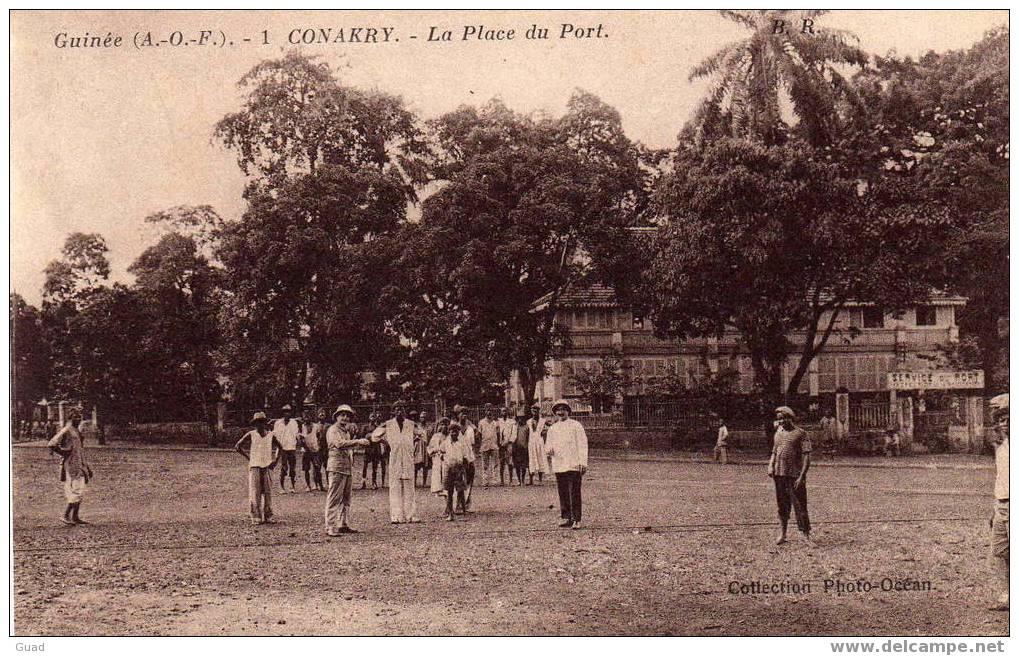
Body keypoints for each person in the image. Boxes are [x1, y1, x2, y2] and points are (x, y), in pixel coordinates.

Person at [767, 406, 812, 545]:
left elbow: (807, 456)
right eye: (779, 419)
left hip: (794, 475)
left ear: (790, 418)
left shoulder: (801, 433)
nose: (781, 421)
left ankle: (805, 535)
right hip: (779, 474)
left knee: (800, 505)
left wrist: (802, 476)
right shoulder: (778, 433)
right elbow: (775, 451)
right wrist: (770, 465)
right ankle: (783, 534)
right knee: (782, 505)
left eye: (784, 418)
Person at [324, 405, 371, 536]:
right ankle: (330, 526)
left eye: (347, 416)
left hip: (347, 467)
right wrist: (358, 441)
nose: (345, 418)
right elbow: (339, 444)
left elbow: (349, 448)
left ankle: (343, 524)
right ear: (336, 416)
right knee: (334, 497)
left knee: (346, 498)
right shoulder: (333, 430)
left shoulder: (346, 432)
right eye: (342, 415)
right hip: (336, 467)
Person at [372, 401, 421, 524]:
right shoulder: (388, 424)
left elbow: (422, 434)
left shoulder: (410, 424)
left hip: (408, 458)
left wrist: (414, 440)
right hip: (395, 457)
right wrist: (386, 442)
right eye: (397, 409)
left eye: (402, 409)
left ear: (405, 411)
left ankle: (411, 515)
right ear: (393, 411)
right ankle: (396, 516)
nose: (399, 411)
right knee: (395, 486)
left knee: (410, 486)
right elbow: (374, 436)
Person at [545, 400, 589, 530]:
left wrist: (583, 462)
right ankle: (567, 517)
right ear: (555, 413)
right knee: (563, 492)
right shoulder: (553, 428)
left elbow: (582, 444)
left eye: (563, 409)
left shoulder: (576, 425)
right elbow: (548, 445)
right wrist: (549, 449)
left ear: (568, 411)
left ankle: (577, 519)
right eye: (558, 410)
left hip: (573, 464)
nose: (561, 412)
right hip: (559, 464)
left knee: (574, 492)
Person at [234, 411, 282, 525]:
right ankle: (256, 516)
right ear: (254, 424)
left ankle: (268, 516)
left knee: (268, 492)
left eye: (262, 422)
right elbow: (238, 446)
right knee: (255, 492)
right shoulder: (251, 434)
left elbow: (280, 447)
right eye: (257, 423)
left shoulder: (271, 435)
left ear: (265, 423)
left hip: (267, 465)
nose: (260, 425)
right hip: (255, 465)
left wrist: (275, 460)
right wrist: (249, 458)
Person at [47, 410, 93, 526]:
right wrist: (63, 453)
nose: (78, 419)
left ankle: (75, 516)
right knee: (76, 490)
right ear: (70, 418)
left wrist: (87, 466)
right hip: (71, 465)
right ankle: (65, 515)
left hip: (80, 464)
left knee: (80, 490)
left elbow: (80, 451)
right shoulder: (67, 430)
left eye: (79, 417)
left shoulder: (77, 431)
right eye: (75, 417)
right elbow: (52, 443)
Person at [988, 393, 1009, 611]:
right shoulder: (1001, 447)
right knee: (1003, 552)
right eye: (1001, 418)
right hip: (1001, 503)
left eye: (1009, 417)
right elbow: (1000, 477)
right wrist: (995, 509)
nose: (1005, 423)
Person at [441, 421, 473, 520]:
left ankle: (463, 510)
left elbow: (465, 457)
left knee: (460, 490)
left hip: (459, 468)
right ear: (449, 432)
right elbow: (441, 453)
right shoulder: (445, 442)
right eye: (452, 431)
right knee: (449, 491)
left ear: (459, 433)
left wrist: (464, 468)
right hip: (449, 468)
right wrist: (445, 462)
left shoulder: (461, 444)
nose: (454, 433)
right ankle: (450, 513)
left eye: (456, 432)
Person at [273, 404, 301, 493]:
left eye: (288, 412)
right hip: (282, 448)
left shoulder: (294, 423)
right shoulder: (278, 423)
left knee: (292, 468)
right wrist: (278, 447)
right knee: (284, 468)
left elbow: (296, 435)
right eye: (285, 412)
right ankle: (282, 487)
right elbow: (275, 435)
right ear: (283, 413)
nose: (287, 413)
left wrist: (299, 440)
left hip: (291, 448)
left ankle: (293, 487)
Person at [455, 405, 478, 509]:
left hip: (468, 458)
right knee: (459, 480)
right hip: (458, 458)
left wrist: (471, 459)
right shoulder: (455, 428)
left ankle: (467, 502)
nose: (463, 415)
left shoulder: (470, 429)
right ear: (458, 415)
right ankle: (458, 503)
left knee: (469, 480)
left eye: (465, 413)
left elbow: (472, 445)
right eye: (461, 413)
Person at [300, 410, 326, 492]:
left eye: (308, 416)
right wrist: (304, 446)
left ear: (311, 417)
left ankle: (320, 485)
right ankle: (308, 486)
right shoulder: (302, 427)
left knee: (317, 468)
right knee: (306, 469)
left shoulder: (315, 426)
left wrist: (317, 446)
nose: (307, 418)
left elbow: (319, 437)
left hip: (315, 450)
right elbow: (300, 439)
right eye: (305, 416)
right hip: (306, 451)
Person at [477, 404, 501, 487]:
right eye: (487, 410)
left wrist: (498, 444)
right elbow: (479, 434)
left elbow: (498, 434)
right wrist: (481, 444)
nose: (489, 412)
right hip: (485, 445)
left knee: (495, 464)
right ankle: (485, 481)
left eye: (490, 410)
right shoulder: (481, 422)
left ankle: (495, 481)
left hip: (494, 445)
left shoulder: (496, 423)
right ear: (485, 411)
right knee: (485, 464)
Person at [362, 411, 384, 490]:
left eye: (374, 417)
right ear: (369, 417)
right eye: (371, 416)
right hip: (368, 449)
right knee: (365, 466)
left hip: (375, 448)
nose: (373, 418)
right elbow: (362, 437)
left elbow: (380, 437)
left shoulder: (378, 428)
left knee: (374, 467)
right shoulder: (365, 427)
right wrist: (367, 437)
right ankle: (363, 482)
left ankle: (373, 482)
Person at [428, 418, 449, 496]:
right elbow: (430, 446)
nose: (444, 427)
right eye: (442, 425)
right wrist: (433, 451)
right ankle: (437, 489)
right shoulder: (436, 436)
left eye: (446, 425)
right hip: (437, 456)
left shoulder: (449, 436)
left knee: (445, 472)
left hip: (446, 456)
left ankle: (445, 488)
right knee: (437, 472)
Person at [498, 406, 516, 485]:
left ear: (507, 412)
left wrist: (509, 442)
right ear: (501, 413)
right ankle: (502, 481)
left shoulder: (512, 421)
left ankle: (511, 480)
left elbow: (514, 433)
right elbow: (497, 433)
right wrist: (499, 442)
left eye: (505, 411)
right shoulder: (498, 421)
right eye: (502, 411)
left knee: (510, 462)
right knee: (501, 462)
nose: (504, 413)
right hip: (501, 445)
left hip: (509, 444)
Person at [411, 411, 429, 487]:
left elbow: (430, 436)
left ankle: (424, 482)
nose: (423, 419)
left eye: (424, 417)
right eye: (421, 417)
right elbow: (412, 436)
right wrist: (416, 438)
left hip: (425, 447)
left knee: (426, 466)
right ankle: (414, 482)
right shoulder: (416, 427)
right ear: (419, 418)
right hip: (417, 447)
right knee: (415, 464)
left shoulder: (428, 427)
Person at [512, 411, 529, 485]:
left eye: (522, 418)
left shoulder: (526, 427)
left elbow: (528, 438)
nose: (520, 420)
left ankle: (523, 480)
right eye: (519, 418)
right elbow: (512, 437)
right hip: (516, 448)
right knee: (517, 465)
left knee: (524, 465)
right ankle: (519, 480)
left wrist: (527, 446)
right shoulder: (514, 426)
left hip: (524, 448)